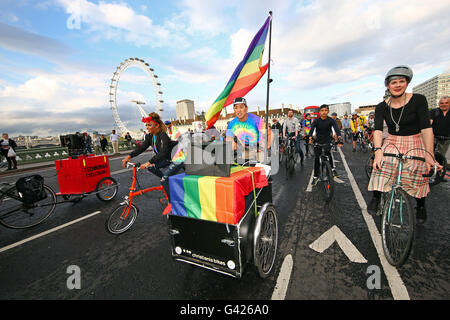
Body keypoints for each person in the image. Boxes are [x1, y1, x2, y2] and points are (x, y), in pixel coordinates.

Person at [367, 65, 440, 224]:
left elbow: (426, 128)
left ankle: (420, 205)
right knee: (380, 166)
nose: (398, 85)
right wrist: (378, 150)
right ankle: (376, 197)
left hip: (415, 139)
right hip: (392, 140)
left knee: (420, 172)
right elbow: (378, 130)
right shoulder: (381, 107)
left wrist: (429, 155)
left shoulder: (418, 99)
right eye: (394, 82)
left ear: (407, 83)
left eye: (402, 81)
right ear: (388, 85)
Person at [122, 112, 183, 202]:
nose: (147, 127)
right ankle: (170, 183)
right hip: (167, 158)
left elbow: (163, 152)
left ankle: (173, 202)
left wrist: (149, 162)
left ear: (157, 126)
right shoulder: (150, 136)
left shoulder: (163, 135)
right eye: (146, 125)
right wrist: (129, 156)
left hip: (178, 158)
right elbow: (142, 147)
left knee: (163, 180)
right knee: (151, 168)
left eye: (149, 125)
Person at [226, 97, 270, 162]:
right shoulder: (231, 124)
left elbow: (269, 133)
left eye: (241, 107)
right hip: (244, 152)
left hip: (258, 151)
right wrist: (232, 143)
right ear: (234, 110)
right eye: (236, 108)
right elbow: (229, 138)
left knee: (261, 169)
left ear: (246, 108)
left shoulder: (256, 120)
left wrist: (267, 146)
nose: (238, 110)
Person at [309, 104, 342, 185]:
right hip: (318, 141)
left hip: (327, 141)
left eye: (326, 110)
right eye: (322, 110)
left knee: (328, 154)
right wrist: (310, 137)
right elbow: (312, 129)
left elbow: (336, 129)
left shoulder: (331, 120)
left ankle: (333, 170)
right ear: (320, 112)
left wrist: (339, 136)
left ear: (328, 111)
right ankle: (315, 177)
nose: (324, 112)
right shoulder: (316, 121)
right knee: (317, 159)